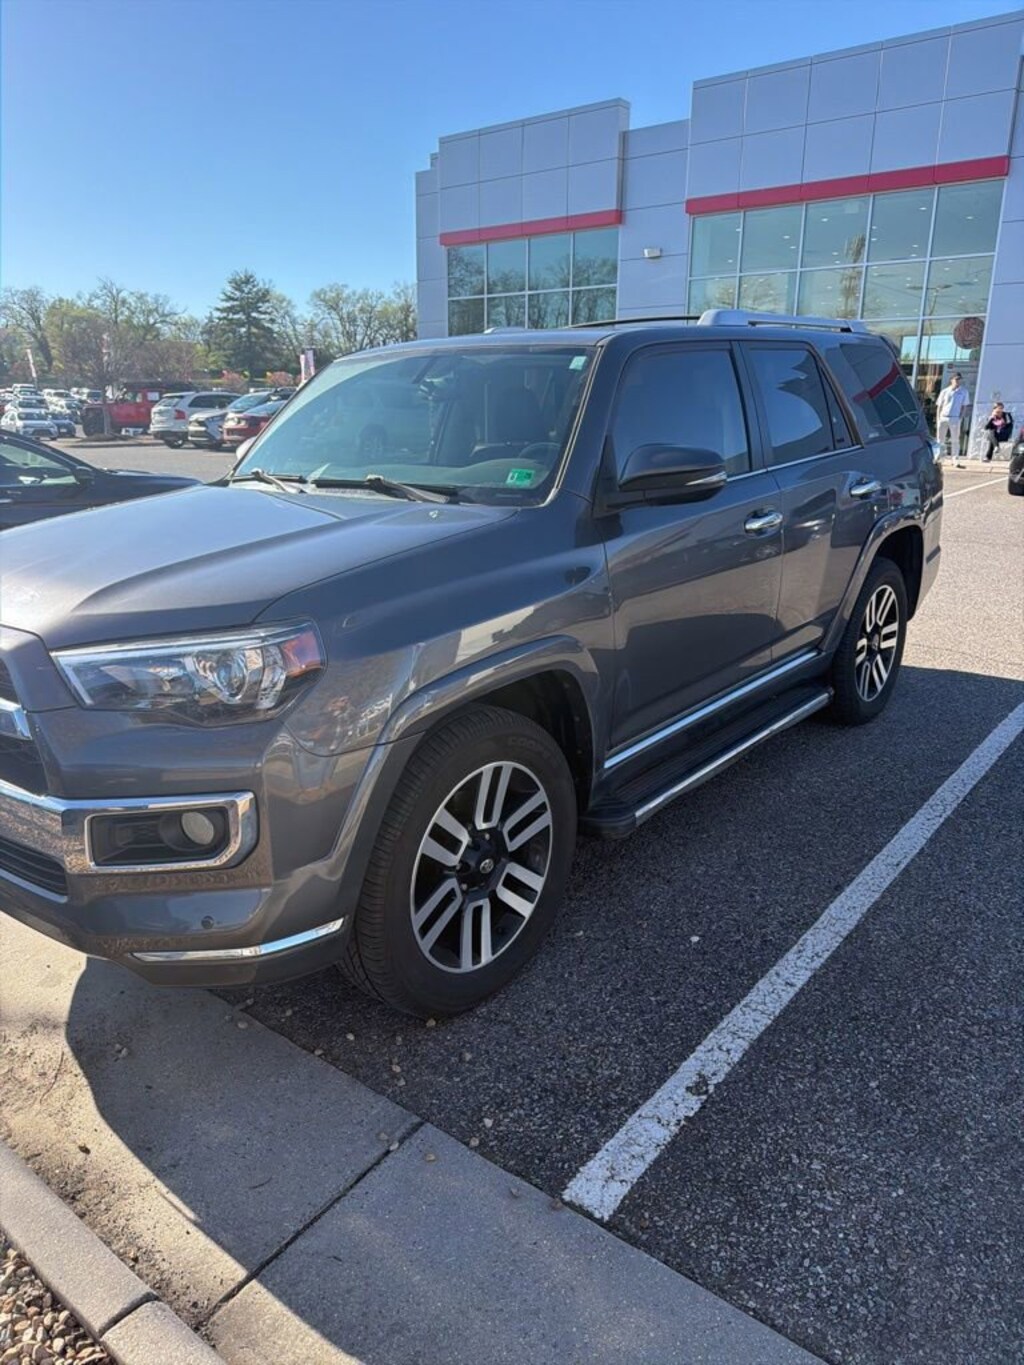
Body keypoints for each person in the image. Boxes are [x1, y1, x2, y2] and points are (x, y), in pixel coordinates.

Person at [935, 372, 969, 463]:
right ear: (952, 380)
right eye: (956, 379)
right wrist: (938, 418)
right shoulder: (945, 391)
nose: (958, 381)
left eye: (959, 379)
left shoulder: (964, 392)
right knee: (940, 439)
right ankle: (939, 456)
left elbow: (964, 406)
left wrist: (960, 418)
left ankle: (955, 458)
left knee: (955, 439)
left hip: (955, 418)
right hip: (943, 417)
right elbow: (939, 406)